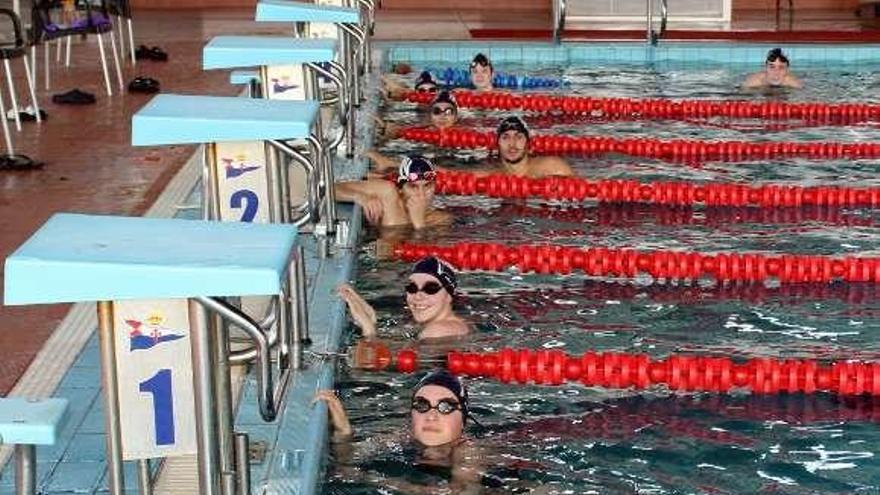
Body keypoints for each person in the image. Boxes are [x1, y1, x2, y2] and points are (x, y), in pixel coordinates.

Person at [315, 369, 483, 492]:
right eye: (422, 405)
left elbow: (462, 492)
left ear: (463, 421)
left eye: (446, 407)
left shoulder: (468, 450)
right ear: (411, 416)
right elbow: (349, 460)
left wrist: (371, 479)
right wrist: (343, 432)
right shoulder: (403, 436)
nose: (432, 416)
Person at [339, 256, 470, 340]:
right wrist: (371, 319)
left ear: (449, 296)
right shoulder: (445, 325)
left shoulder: (437, 331)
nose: (418, 296)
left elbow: (372, 362)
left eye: (430, 288)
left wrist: (368, 330)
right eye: (412, 288)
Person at [335, 154, 452, 229]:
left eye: (427, 186)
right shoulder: (386, 192)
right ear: (401, 188)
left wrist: (419, 223)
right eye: (413, 187)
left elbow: (424, 259)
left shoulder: (440, 219)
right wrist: (360, 197)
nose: (421, 194)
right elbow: (331, 189)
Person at [490, 115, 574, 178]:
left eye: (518, 137)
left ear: (528, 143)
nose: (512, 144)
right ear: (497, 144)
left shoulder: (553, 167)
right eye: (505, 137)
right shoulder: (488, 173)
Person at [374, 89, 460, 144]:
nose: (442, 116)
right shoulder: (421, 130)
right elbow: (391, 135)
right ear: (430, 116)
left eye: (449, 112)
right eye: (437, 111)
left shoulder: (463, 134)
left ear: (456, 117)